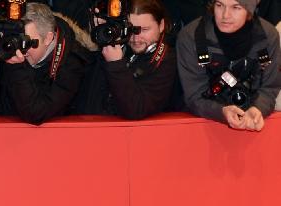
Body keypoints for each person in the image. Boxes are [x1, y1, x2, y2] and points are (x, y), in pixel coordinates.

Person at [0, 3, 94, 123]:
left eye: (27, 42)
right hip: (6, 126)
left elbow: (36, 113)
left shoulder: (73, 63)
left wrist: (16, 66)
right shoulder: (12, 38)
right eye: (18, 39)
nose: (20, 49)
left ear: (48, 38)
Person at [177, 0, 280, 130]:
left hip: (251, 116)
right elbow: (194, 96)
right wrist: (221, 112)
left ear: (249, 10)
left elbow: (269, 88)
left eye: (236, 7)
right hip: (203, 122)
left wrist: (258, 108)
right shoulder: (190, 37)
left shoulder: (268, 36)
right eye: (219, 5)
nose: (225, 15)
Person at [74, 0, 179, 118]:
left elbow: (137, 109)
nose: (136, 38)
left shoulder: (168, 60)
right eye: (131, 29)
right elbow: (87, 101)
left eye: (144, 30)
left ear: (161, 26)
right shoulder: (118, 44)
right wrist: (102, 35)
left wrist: (115, 65)